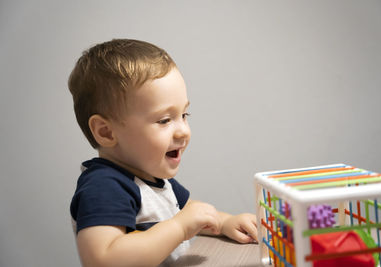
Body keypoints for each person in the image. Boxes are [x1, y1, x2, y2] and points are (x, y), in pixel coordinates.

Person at [69, 39, 257, 267]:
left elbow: (188, 212)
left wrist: (225, 222)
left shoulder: (153, 180)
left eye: (184, 115)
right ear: (107, 132)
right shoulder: (104, 187)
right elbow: (103, 259)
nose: (183, 131)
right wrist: (179, 227)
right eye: (165, 120)